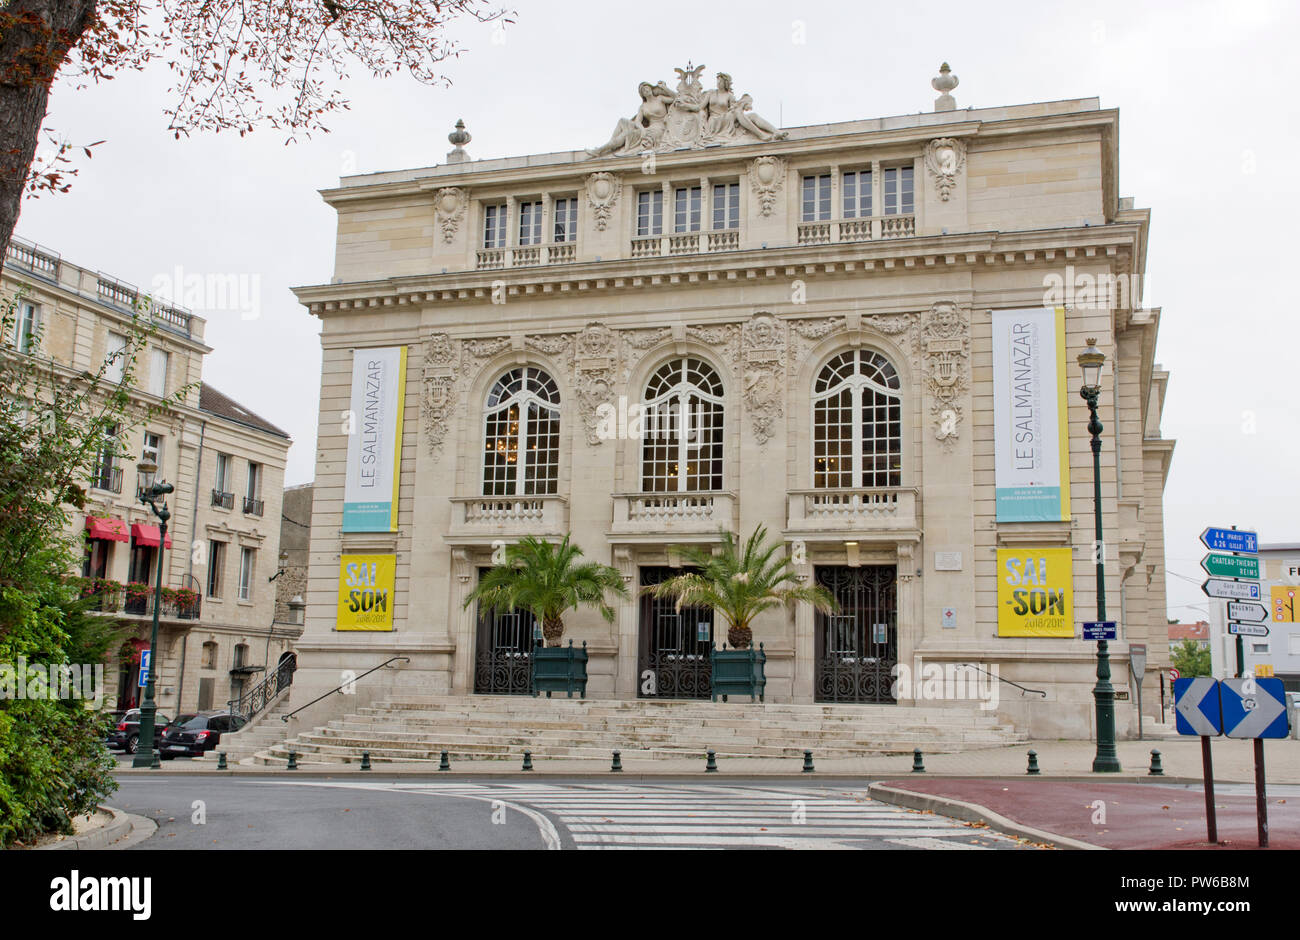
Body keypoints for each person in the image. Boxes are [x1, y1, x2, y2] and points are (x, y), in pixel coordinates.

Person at [588, 81, 676, 157]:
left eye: (647, 88)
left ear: (651, 88)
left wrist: (664, 88)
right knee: (622, 121)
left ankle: (602, 149)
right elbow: (637, 121)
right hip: (647, 130)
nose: (646, 90)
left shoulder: (660, 99)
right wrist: (642, 130)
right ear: (643, 95)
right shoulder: (643, 107)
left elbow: (676, 98)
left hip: (658, 129)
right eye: (644, 90)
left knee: (627, 134)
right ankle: (609, 145)